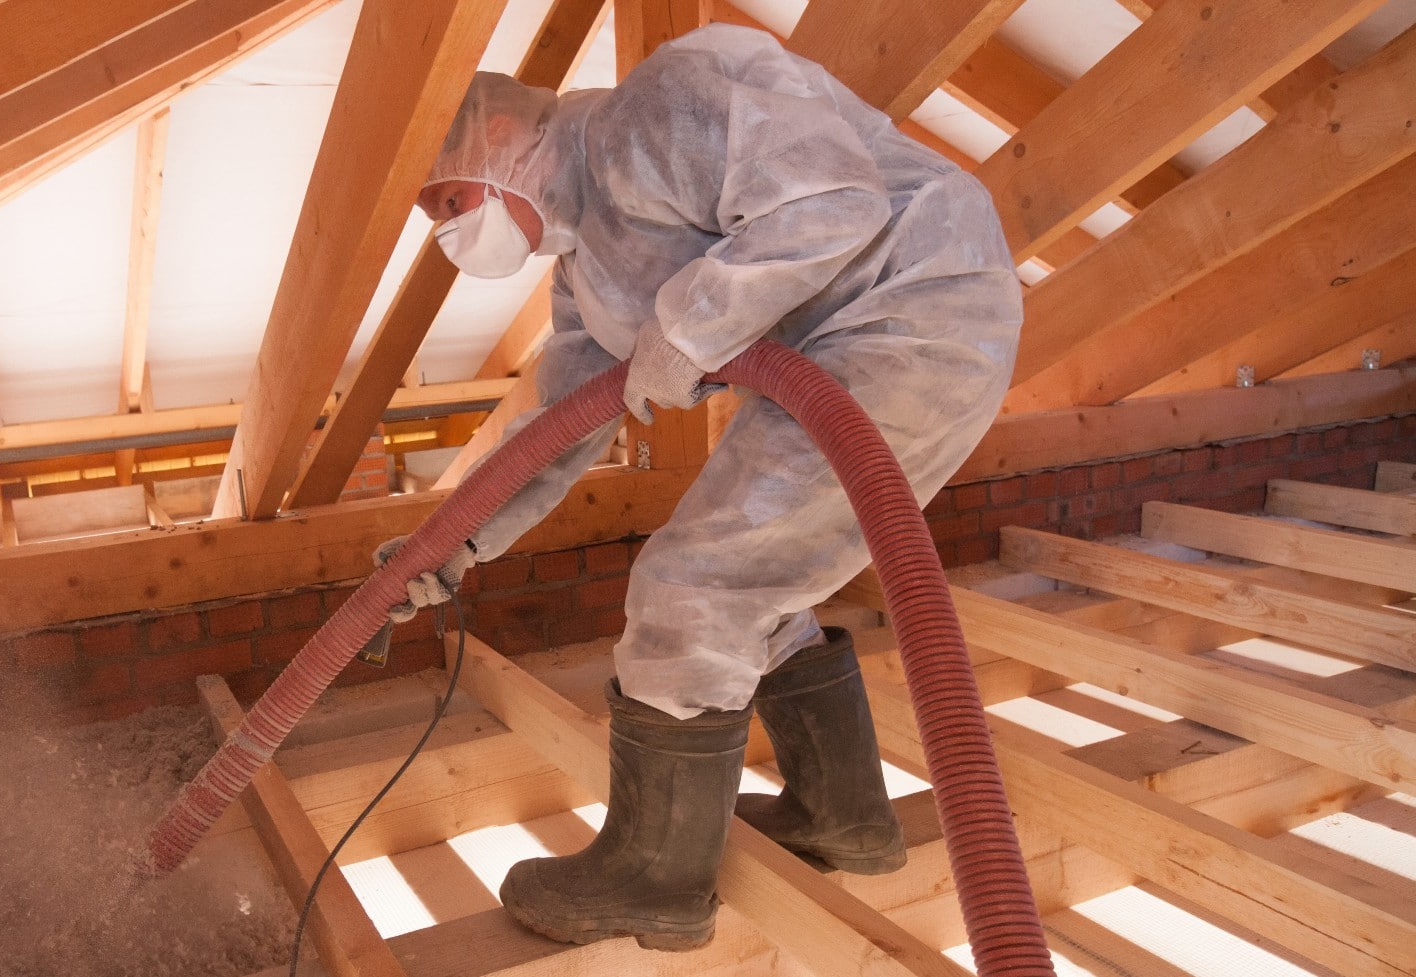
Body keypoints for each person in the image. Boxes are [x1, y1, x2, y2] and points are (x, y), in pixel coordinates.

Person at [376, 23, 1022, 951]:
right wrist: (451, 542)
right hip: (843, 349)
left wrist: (690, 325)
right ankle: (840, 816)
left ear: (505, 138)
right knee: (748, 581)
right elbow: (551, 427)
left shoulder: (662, 104)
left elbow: (832, 200)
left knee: (696, 584)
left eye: (448, 197)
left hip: (917, 306)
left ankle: (657, 877)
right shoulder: (587, 269)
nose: (448, 231)